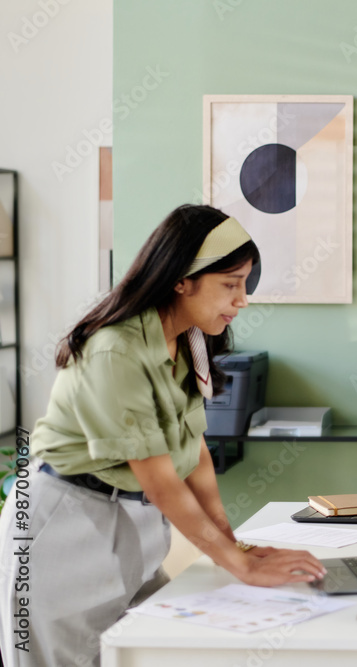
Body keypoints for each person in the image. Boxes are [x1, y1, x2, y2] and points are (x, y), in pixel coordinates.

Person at [0, 205, 326, 667]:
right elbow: (159, 480)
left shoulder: (189, 340)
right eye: (230, 285)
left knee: (148, 653)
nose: (242, 301)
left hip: (135, 524)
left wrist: (234, 547)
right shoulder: (115, 350)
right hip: (65, 524)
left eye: (244, 285)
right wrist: (238, 564)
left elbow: (195, 455)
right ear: (181, 280)